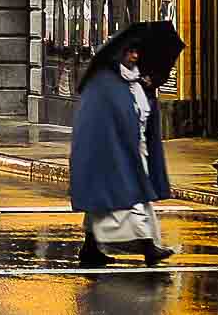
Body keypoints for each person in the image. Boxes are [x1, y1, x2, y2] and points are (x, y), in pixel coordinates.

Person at [68, 36, 174, 267]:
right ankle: (147, 245)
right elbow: (102, 118)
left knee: (103, 202)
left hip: (133, 149)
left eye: (136, 51)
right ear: (119, 55)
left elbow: (141, 113)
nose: (134, 56)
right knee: (131, 197)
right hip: (113, 151)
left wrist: (148, 88)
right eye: (129, 52)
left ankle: (90, 247)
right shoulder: (105, 82)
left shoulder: (134, 80)